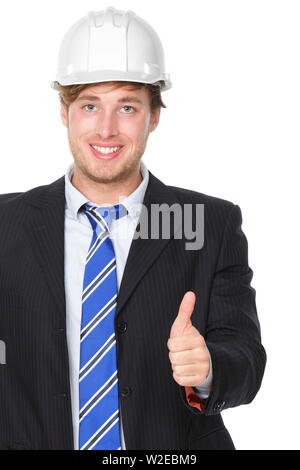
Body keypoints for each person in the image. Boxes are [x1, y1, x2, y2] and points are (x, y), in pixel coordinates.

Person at [0, 6, 266, 450]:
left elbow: (247, 359)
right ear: (64, 112)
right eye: (90, 105)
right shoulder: (6, 224)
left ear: (154, 115)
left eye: (127, 106)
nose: (107, 129)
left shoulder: (207, 223)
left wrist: (209, 369)